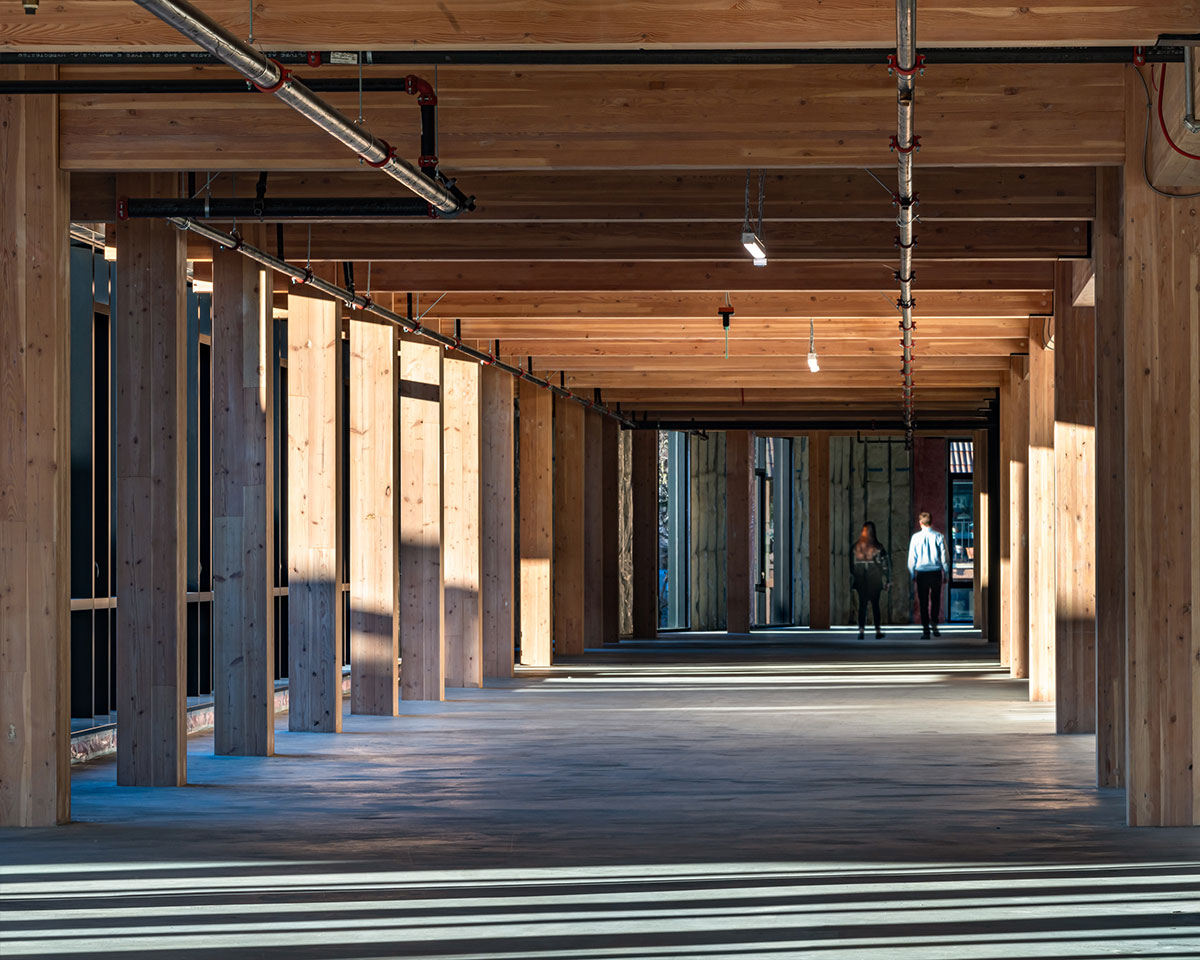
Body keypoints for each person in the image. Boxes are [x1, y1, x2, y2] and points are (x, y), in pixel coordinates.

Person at [908, 511, 949, 639]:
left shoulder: (915, 538)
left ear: (920, 523)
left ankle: (926, 629)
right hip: (936, 572)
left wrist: (912, 574)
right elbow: (944, 557)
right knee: (936, 600)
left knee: (923, 602)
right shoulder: (939, 536)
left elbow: (911, 558)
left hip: (922, 573)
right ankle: (934, 624)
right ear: (931, 522)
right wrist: (946, 573)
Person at [850, 521, 890, 640]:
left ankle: (861, 630)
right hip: (874, 580)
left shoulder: (856, 547)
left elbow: (851, 565)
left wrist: (855, 575)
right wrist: (886, 579)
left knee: (862, 606)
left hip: (861, 580)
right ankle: (877, 630)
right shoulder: (878, 547)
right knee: (875, 606)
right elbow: (885, 565)